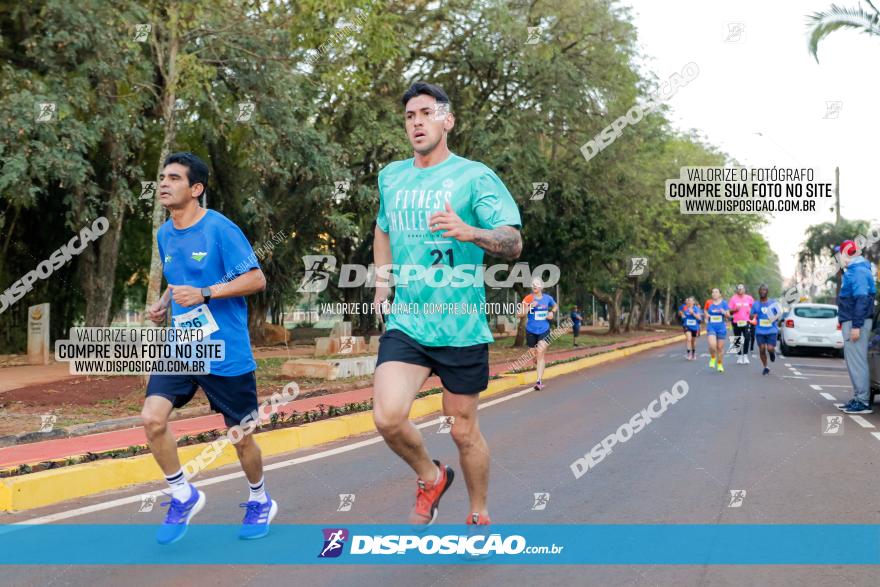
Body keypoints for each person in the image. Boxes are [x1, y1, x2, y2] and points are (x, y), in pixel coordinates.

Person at [371, 82, 523, 530]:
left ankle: (478, 509)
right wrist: (383, 282)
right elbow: (382, 228)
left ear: (446, 121)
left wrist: (471, 231)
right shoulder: (391, 176)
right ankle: (431, 477)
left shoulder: (475, 178)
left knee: (461, 429)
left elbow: (513, 242)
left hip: (460, 326)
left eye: (425, 113)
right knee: (388, 417)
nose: (416, 122)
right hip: (409, 322)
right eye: (409, 116)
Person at [142, 152, 273, 544]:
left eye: (175, 178)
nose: (164, 183)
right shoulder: (165, 233)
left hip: (226, 349)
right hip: (183, 345)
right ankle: (182, 493)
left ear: (196, 189)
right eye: (162, 177)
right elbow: (178, 275)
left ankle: (259, 498)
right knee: (152, 418)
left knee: (241, 436)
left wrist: (206, 292)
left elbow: (256, 278)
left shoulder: (221, 229)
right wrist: (166, 302)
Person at [834, 240, 877, 414]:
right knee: (854, 361)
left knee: (857, 362)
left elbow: (862, 299)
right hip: (852, 320)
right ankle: (860, 397)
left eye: (839, 254)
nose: (838, 257)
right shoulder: (854, 270)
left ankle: (863, 401)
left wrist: (856, 326)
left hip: (855, 321)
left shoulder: (858, 271)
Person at [518, 278, 558, 388]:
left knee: (540, 353)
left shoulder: (548, 298)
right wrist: (530, 306)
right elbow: (519, 314)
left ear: (541, 287)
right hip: (531, 330)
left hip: (544, 329)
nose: (535, 286)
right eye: (533, 284)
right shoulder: (528, 298)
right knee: (534, 354)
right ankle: (536, 359)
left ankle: (539, 381)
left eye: (537, 284)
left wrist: (552, 312)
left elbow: (555, 306)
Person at [750, 284, 782, 376]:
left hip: (771, 330)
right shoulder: (755, 304)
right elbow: (751, 316)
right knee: (762, 349)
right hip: (760, 330)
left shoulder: (773, 302)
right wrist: (752, 316)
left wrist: (776, 318)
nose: (762, 292)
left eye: (764, 290)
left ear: (767, 292)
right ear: (759, 292)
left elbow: (778, 315)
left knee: (770, 348)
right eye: (761, 290)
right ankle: (766, 367)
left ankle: (772, 353)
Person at [704, 288, 731, 373]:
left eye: (716, 292)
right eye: (713, 292)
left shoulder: (724, 303)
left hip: (721, 327)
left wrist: (724, 312)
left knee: (719, 348)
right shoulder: (708, 302)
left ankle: (719, 364)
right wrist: (706, 314)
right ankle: (712, 357)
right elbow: (705, 311)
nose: (714, 293)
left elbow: (728, 316)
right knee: (712, 345)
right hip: (711, 326)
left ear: (719, 294)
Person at [729, 284, 755, 364]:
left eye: (741, 289)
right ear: (737, 290)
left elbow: (754, 309)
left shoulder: (749, 298)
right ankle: (739, 356)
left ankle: (745, 356)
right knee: (737, 338)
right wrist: (735, 310)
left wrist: (752, 313)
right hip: (736, 321)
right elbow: (729, 311)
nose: (740, 290)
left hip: (746, 321)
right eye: (738, 289)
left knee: (747, 337)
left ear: (744, 289)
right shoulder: (733, 298)